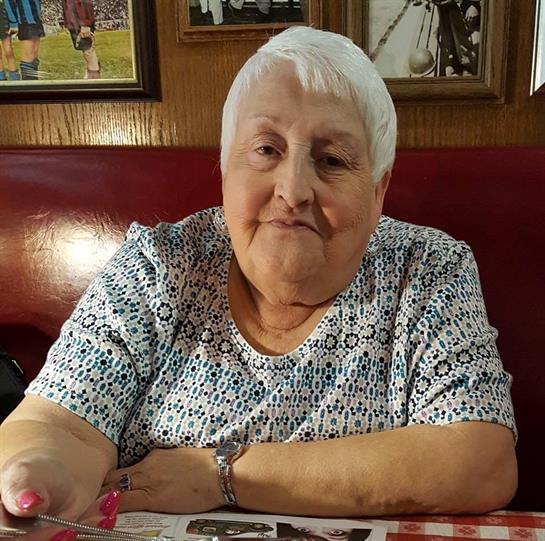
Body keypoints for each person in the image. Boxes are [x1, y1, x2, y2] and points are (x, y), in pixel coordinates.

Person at [0, 26, 517, 539]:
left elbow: (478, 459)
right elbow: (57, 424)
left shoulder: (427, 269)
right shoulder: (159, 264)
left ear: (378, 190)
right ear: (226, 169)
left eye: (332, 160)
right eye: (267, 149)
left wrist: (222, 475)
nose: (293, 190)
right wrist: (36, 474)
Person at [3, 0, 43, 80]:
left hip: (35, 19)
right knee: (28, 56)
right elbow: (8, 2)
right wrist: (13, 22)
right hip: (24, 20)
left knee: (34, 56)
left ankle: (35, 86)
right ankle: (29, 87)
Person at [61, 0, 100, 79]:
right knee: (86, 52)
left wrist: (85, 23)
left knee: (88, 53)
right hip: (74, 19)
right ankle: (92, 78)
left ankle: (94, 85)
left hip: (80, 19)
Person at [0, 0, 20, 80]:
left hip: (3, 16)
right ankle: (1, 76)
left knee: (8, 50)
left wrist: (13, 23)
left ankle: (14, 76)